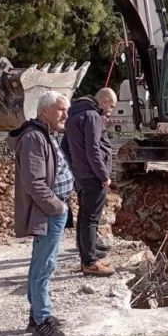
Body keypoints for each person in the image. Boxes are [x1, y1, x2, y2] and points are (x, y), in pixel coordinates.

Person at [7, 91, 73, 336]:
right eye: (61, 109)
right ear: (44, 111)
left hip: (53, 210)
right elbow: (34, 182)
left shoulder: (45, 133)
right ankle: (42, 319)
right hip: (48, 211)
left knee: (42, 263)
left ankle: (37, 316)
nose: (65, 115)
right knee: (44, 267)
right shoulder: (35, 137)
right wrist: (57, 207)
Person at [63, 87, 117, 277]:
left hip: (81, 175)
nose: (110, 110)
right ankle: (90, 262)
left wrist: (75, 168)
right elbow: (93, 150)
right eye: (111, 105)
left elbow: (65, 147)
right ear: (104, 102)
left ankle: (88, 255)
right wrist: (103, 175)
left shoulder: (74, 115)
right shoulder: (92, 116)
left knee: (85, 218)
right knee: (91, 219)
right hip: (93, 177)